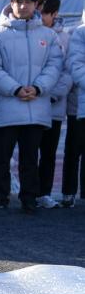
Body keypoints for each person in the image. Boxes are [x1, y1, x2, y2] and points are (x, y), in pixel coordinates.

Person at [0, 0, 63, 214]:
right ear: (11, 3)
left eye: (28, 1)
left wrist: (38, 88)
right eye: (18, 1)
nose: (22, 6)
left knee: (30, 157)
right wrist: (16, 89)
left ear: (35, 5)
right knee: (2, 157)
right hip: (7, 107)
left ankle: (29, 197)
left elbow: (55, 65)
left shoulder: (48, 36)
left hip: (35, 108)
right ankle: (0, 196)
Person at [36, 0, 72, 208]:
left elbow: (67, 72)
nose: (40, 17)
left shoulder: (65, 38)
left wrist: (51, 94)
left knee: (48, 152)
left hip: (53, 106)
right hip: (30, 103)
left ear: (55, 14)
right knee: (30, 152)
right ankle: (29, 192)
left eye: (44, 14)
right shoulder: (29, 34)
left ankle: (44, 193)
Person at [62, 11, 85, 208]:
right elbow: (75, 65)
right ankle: (69, 193)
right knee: (74, 149)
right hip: (79, 105)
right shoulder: (80, 33)